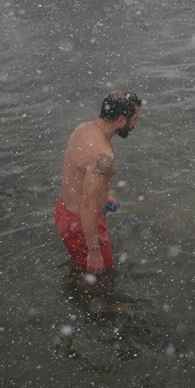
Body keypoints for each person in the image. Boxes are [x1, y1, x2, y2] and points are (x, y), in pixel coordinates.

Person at [53, 91, 142, 274]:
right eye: (134, 118)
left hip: (64, 210)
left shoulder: (83, 129)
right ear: (120, 120)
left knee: (84, 267)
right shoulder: (103, 157)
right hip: (80, 223)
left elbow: (78, 171)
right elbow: (88, 205)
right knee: (102, 276)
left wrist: (102, 195)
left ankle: (77, 274)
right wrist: (94, 249)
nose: (136, 123)